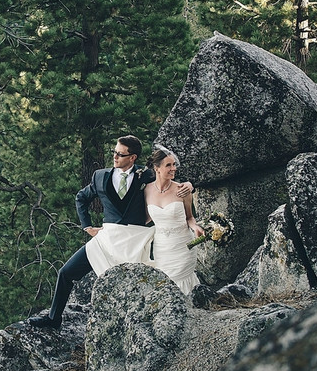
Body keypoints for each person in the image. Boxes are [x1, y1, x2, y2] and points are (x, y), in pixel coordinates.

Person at [28, 135, 193, 329]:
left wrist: (190, 185)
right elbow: (81, 198)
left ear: (133, 157)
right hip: (105, 239)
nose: (115, 157)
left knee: (134, 288)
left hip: (134, 240)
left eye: (120, 154)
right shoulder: (100, 176)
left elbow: (168, 182)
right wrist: (87, 226)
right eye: (114, 152)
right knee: (66, 272)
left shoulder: (146, 175)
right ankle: (54, 319)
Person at [144, 147, 204, 295]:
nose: (173, 169)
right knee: (165, 282)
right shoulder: (146, 190)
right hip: (161, 248)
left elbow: (189, 217)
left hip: (184, 246)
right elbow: (145, 219)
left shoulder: (183, 189)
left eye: (174, 165)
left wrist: (195, 227)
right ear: (157, 168)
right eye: (168, 165)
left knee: (181, 282)